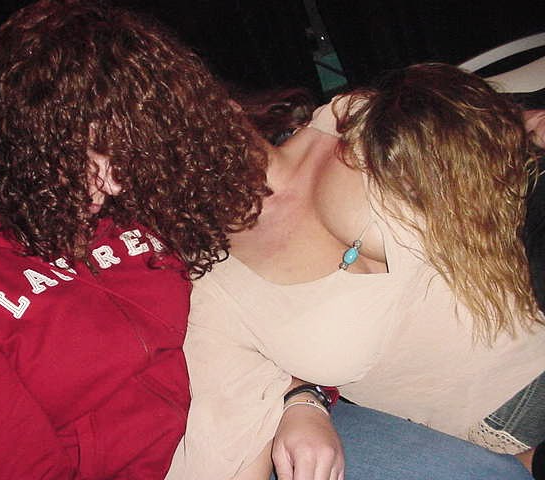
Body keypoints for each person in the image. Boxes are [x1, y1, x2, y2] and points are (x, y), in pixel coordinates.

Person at [0, 1, 274, 478]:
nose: (117, 183)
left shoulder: (132, 195)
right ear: (24, 143)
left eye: (130, 151)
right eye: (95, 152)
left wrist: (303, 402)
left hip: (268, 425)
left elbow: (269, 309)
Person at [167, 63, 545, 479]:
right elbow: (228, 436)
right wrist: (300, 399)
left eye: (189, 119)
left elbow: (490, 141)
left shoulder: (347, 120)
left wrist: (524, 124)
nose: (191, 151)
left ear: (226, 104)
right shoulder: (212, 282)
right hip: (489, 438)